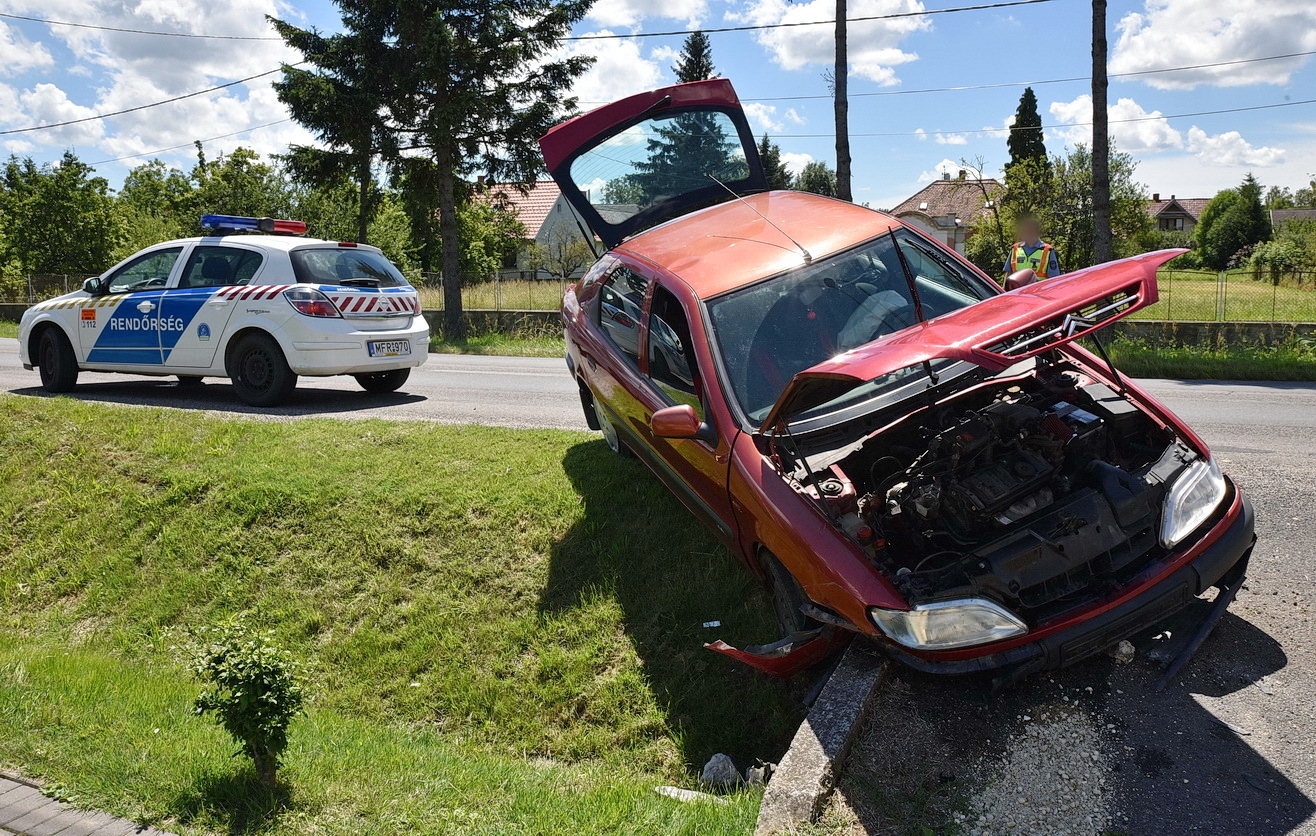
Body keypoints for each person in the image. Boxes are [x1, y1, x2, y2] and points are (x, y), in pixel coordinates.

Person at [1004, 216, 1061, 281]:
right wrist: (1004, 290)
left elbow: (1053, 278)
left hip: (1038, 290)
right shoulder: (1015, 248)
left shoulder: (1047, 250)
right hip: (1017, 290)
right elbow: (1008, 273)